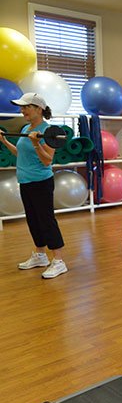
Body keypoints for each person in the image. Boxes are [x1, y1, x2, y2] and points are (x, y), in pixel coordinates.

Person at [0, 93, 67, 279]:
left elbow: (47, 161)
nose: (22, 111)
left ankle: (59, 261)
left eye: (26, 107)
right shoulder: (27, 128)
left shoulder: (49, 131)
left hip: (41, 182)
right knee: (33, 219)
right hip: (25, 181)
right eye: (21, 108)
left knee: (46, 220)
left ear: (38, 109)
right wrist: (4, 141)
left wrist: (37, 144)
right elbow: (20, 153)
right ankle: (40, 255)